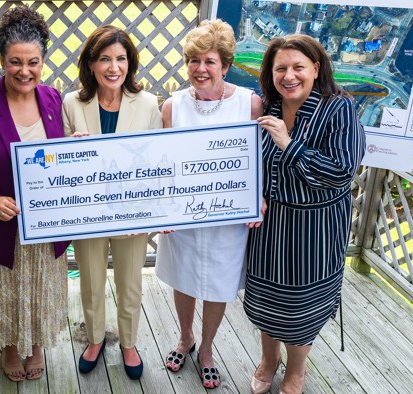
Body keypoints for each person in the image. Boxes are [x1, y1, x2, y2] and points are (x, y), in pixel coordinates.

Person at [245, 34, 365, 394]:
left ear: (316, 68)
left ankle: (297, 369)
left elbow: (342, 171)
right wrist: (256, 192)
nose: (289, 75)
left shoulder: (339, 108)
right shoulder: (269, 105)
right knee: (267, 297)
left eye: (298, 67)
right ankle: (269, 360)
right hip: (271, 224)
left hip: (315, 227)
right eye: (280, 68)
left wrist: (289, 143)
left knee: (301, 306)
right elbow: (255, 163)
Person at [0, 5, 70, 383]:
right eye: (15, 62)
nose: (25, 71)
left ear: (43, 61)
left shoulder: (53, 100)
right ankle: (8, 345)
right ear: (1, 61)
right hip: (0, 225)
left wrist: (77, 149)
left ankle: (36, 342)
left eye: (33, 62)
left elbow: (59, 156)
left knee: (39, 288)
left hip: (45, 224)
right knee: (6, 290)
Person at [154, 19, 263, 390]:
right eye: (194, 60)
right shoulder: (172, 107)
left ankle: (207, 350)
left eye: (210, 61)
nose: (201, 69)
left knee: (219, 283)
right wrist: (164, 207)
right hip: (184, 216)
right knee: (184, 276)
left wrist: (256, 197)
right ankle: (185, 338)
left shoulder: (249, 104)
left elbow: (257, 161)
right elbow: (164, 164)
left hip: (227, 218)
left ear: (226, 65)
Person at [61, 25, 161, 380]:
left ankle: (129, 342)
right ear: (90, 63)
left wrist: (154, 210)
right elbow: (59, 161)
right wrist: (71, 145)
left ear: (130, 64)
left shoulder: (148, 104)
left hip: (131, 212)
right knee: (89, 279)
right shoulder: (72, 102)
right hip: (88, 213)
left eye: (120, 58)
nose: (113, 67)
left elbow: (157, 161)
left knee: (131, 281)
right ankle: (95, 338)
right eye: (104, 58)